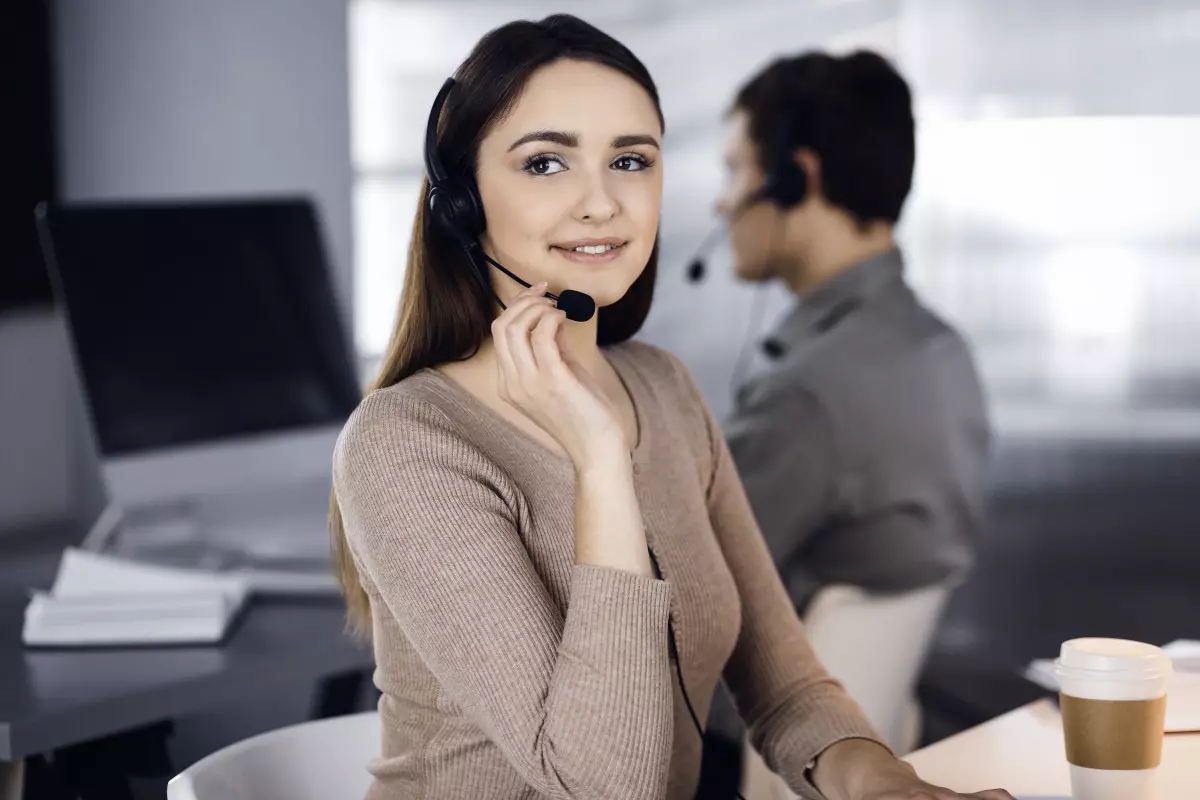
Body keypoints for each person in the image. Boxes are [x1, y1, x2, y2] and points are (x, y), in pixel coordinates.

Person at [329, 16, 1009, 800]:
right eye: (545, 162)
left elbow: (787, 689)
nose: (602, 203)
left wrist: (887, 784)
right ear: (463, 201)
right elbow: (604, 787)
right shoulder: (407, 442)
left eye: (630, 160)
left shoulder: (664, 388)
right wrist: (597, 457)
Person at [701, 50, 992, 790]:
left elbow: (679, 592)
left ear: (798, 176)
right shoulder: (941, 350)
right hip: (877, 731)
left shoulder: (809, 394)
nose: (722, 203)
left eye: (735, 170)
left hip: (753, 748)